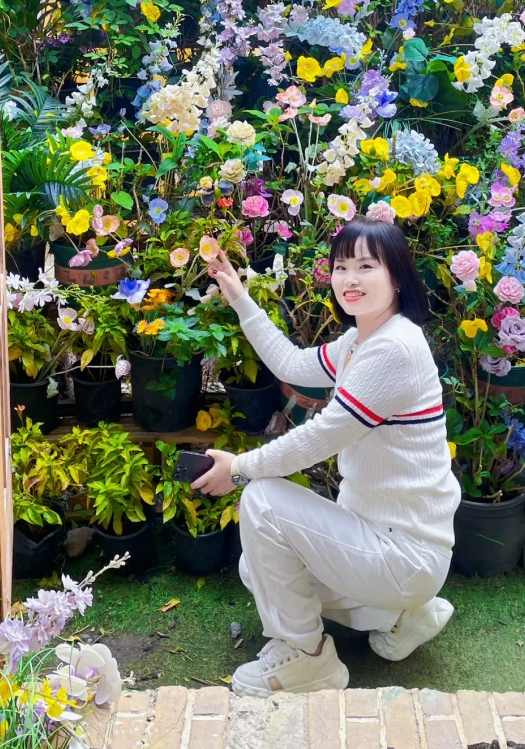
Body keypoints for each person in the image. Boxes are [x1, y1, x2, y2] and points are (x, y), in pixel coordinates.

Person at [195, 216, 460, 697]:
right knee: (257, 569)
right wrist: (238, 296)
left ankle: (309, 658)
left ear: (397, 276)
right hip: (388, 541)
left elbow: (319, 438)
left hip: (404, 552)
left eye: (366, 266)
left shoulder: (393, 350)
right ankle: (403, 616)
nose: (350, 279)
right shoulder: (363, 340)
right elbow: (292, 364)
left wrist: (239, 469)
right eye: (341, 267)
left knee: (262, 501)